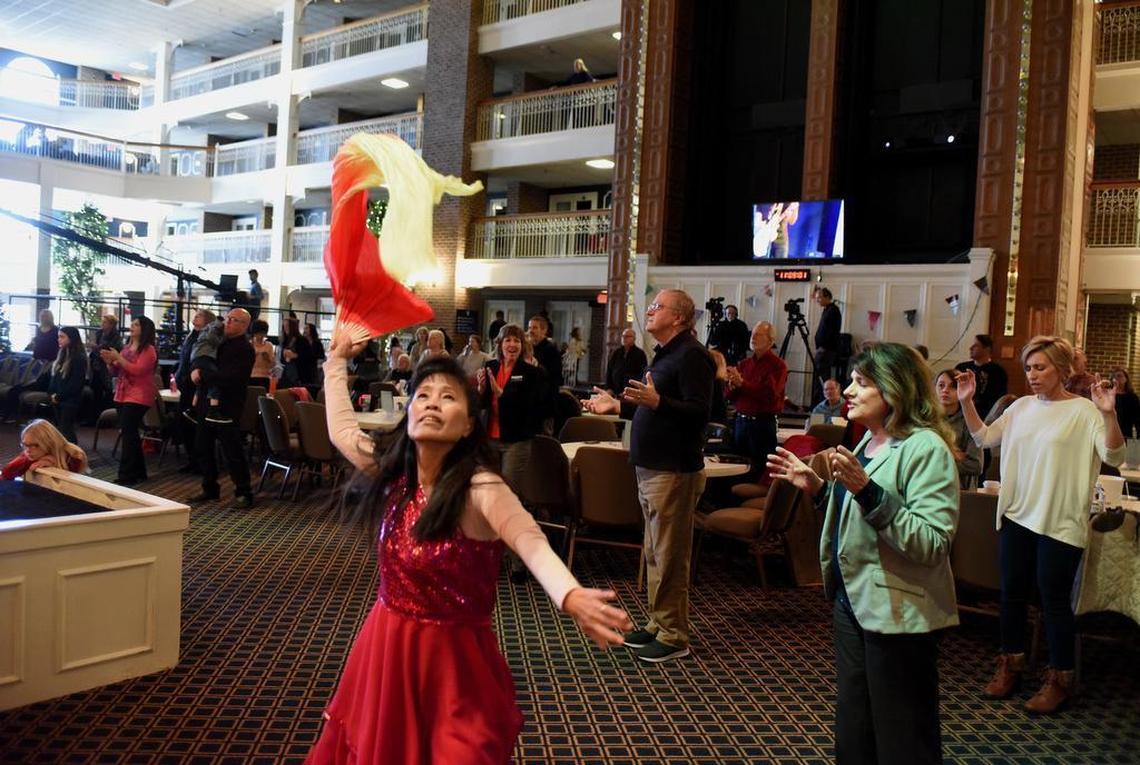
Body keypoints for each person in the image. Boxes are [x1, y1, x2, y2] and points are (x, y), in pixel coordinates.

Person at [308, 333, 632, 763]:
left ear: (466, 426)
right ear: (409, 413)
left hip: (455, 663)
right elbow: (343, 431)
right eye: (423, 396)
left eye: (448, 397)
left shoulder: (480, 486)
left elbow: (529, 540)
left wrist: (569, 594)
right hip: (387, 646)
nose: (432, 403)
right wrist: (335, 362)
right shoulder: (396, 475)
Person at [767, 342, 960, 764]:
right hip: (853, 600)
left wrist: (867, 491)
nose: (849, 391)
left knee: (901, 732)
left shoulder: (925, 448)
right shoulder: (869, 442)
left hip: (900, 609)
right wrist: (819, 489)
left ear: (893, 389)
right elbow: (859, 514)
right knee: (856, 726)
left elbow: (932, 542)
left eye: (862, 382)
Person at [957, 336, 1125, 714]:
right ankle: (1011, 665)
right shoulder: (1021, 407)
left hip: (1059, 521)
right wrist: (967, 401)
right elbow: (984, 438)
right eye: (1029, 368)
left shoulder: (1084, 411)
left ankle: (1060, 679)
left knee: (1053, 602)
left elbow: (1114, 455)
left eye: (1040, 367)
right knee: (1011, 595)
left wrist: (1109, 413)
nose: (1032, 375)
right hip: (1017, 515)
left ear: (1061, 370)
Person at [585, 289, 714, 663]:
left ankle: (674, 635)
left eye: (658, 306)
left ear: (679, 317)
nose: (650, 311)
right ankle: (659, 623)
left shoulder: (692, 355)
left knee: (669, 555)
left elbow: (700, 412)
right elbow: (650, 405)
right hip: (653, 467)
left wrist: (658, 402)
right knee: (656, 553)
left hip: (673, 469)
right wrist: (617, 405)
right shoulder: (666, 354)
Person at [189, 309, 255, 509]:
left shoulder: (244, 348)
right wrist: (197, 372)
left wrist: (203, 374)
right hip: (206, 401)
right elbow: (203, 358)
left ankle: (244, 492)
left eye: (233, 320)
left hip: (228, 405)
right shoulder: (220, 341)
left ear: (244, 325)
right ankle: (209, 487)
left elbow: (232, 378)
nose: (227, 322)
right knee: (203, 446)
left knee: (231, 450)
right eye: (227, 318)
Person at [101, 315, 158, 486]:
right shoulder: (127, 348)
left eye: (136, 325)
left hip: (139, 395)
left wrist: (118, 358)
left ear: (144, 329)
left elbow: (138, 370)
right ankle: (139, 471)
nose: (132, 326)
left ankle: (126, 474)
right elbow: (116, 371)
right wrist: (110, 362)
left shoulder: (149, 350)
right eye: (132, 324)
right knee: (130, 432)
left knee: (128, 433)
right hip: (122, 393)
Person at [725, 321, 788, 474]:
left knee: (759, 470)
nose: (753, 338)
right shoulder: (744, 364)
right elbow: (729, 396)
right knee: (736, 468)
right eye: (752, 334)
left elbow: (769, 395)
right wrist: (732, 385)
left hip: (762, 425)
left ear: (770, 341)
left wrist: (742, 384)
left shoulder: (778, 366)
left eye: (759, 335)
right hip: (740, 422)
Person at [476, 324, 547, 444]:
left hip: (517, 439)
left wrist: (501, 395)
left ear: (522, 345)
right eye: (508, 340)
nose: (512, 344)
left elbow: (531, 408)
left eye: (517, 341)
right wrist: (481, 389)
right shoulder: (490, 366)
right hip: (489, 436)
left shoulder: (532, 372)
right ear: (500, 344)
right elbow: (482, 405)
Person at [173, 309, 214, 473]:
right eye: (195, 315)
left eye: (199, 315)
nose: (195, 317)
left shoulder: (208, 338)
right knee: (184, 423)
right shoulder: (191, 336)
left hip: (196, 386)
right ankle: (191, 459)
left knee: (195, 425)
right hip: (185, 384)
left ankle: (200, 462)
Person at [934, 369, 983, 489]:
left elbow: (976, 465)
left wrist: (936, 458)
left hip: (960, 490)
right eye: (941, 385)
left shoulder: (970, 422)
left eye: (953, 386)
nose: (945, 390)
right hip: (929, 486)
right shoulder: (925, 418)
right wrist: (954, 454)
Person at [2, 419, 88, 480]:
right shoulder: (32, 455)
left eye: (35, 445)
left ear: (49, 443)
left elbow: (70, 487)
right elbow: (6, 473)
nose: (28, 450)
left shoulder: (73, 455)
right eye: (25, 445)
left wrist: (55, 464)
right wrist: (30, 461)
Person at [47, 326, 87, 444]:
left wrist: (59, 396)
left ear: (71, 338)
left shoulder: (79, 358)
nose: (59, 339)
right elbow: (55, 378)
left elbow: (75, 384)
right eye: (58, 337)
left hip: (69, 400)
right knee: (60, 429)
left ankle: (73, 452)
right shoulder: (62, 355)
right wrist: (51, 393)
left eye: (62, 337)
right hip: (58, 398)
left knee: (66, 430)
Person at [955, 334, 1008, 420]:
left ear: (987, 349)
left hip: (986, 415)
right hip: (961, 414)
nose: (971, 348)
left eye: (976, 345)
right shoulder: (961, 368)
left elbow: (999, 399)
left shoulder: (998, 372)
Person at [87, 314, 122, 420]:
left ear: (111, 324)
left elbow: (113, 350)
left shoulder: (116, 336)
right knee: (95, 392)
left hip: (107, 368)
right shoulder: (99, 333)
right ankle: (93, 418)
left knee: (108, 392)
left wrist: (98, 348)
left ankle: (105, 418)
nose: (102, 324)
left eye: (105, 322)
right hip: (96, 366)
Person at [605, 327, 649, 396]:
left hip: (630, 390)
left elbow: (642, 374)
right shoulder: (616, 352)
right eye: (623, 336)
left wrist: (631, 390)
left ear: (634, 338)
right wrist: (609, 388)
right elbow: (609, 370)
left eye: (627, 336)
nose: (624, 338)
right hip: (614, 390)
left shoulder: (640, 354)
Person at [814, 288, 842, 394]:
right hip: (823, 349)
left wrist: (823, 347)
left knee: (823, 377)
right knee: (819, 377)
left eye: (819, 298)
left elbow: (831, 332)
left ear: (827, 297)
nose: (817, 300)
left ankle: (823, 399)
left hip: (826, 350)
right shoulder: (827, 310)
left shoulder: (833, 310)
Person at [280, 317, 315, 387]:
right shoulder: (285, 341)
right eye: (284, 326)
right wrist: (284, 355)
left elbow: (309, 357)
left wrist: (295, 355)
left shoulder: (302, 340)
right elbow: (282, 360)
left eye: (287, 326)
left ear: (293, 327)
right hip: (288, 373)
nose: (285, 328)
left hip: (300, 374)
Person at [1110, 367, 1140, 439]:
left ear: (1126, 379)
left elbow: (1137, 418)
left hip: (1126, 433)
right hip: (1109, 431)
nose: (1116, 378)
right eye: (1114, 376)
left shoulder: (1132, 397)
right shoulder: (1108, 395)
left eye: (1119, 376)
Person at [249, 319, 276, 390]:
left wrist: (267, 359)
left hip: (265, 377)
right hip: (251, 376)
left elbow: (272, 365)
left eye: (263, 333)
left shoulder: (269, 345)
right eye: (258, 333)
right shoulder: (249, 345)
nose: (261, 336)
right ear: (254, 333)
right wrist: (252, 356)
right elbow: (244, 363)